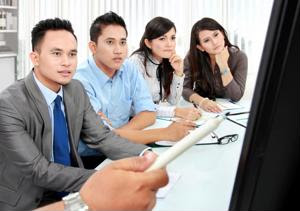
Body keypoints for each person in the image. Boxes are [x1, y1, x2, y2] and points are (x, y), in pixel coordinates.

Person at [0, 18, 167, 211]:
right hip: (28, 201)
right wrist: (106, 179)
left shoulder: (75, 89)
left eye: (72, 54)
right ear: (35, 58)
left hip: (73, 190)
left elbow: (102, 137)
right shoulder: (9, 104)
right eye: (56, 54)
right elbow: (39, 170)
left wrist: (145, 155)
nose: (66, 62)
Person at [74, 12, 195, 149]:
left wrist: (114, 135)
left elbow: (149, 114)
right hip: (94, 157)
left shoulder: (128, 68)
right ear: (93, 47)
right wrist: (166, 133)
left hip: (124, 144)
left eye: (123, 42)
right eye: (110, 42)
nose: (118, 50)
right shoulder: (80, 81)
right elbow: (100, 138)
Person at [35, 153, 168, 211]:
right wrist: (90, 203)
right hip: (29, 201)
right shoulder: (15, 102)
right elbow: (39, 169)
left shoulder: (75, 95)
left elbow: (101, 134)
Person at [130, 17, 201, 121]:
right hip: (134, 121)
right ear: (148, 43)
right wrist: (176, 111)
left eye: (172, 38)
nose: (169, 44)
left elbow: (173, 101)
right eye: (162, 39)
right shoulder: (136, 63)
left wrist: (178, 73)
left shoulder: (165, 61)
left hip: (154, 119)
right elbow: (138, 107)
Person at [182, 17, 248, 113]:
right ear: (200, 47)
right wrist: (202, 102)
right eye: (206, 40)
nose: (215, 42)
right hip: (202, 110)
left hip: (229, 112)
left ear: (223, 34)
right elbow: (185, 89)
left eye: (216, 35)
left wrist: (223, 65)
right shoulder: (192, 57)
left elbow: (236, 96)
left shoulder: (239, 57)